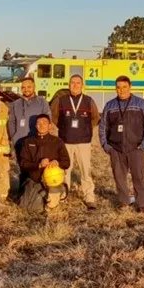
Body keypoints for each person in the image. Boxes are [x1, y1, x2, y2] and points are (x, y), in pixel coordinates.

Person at [99, 75, 144, 212]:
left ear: (130, 87)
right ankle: (124, 201)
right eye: (118, 87)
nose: (121, 90)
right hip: (116, 149)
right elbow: (103, 127)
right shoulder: (110, 106)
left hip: (136, 147)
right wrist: (106, 146)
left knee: (139, 177)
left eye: (124, 87)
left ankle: (142, 204)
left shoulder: (141, 104)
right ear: (115, 89)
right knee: (119, 177)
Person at [51, 74, 100, 209]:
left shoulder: (89, 101)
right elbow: (54, 117)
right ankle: (63, 194)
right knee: (66, 169)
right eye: (72, 83)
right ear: (69, 85)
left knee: (85, 170)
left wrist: (85, 129)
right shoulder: (61, 100)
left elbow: (95, 119)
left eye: (78, 83)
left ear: (82, 85)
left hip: (84, 142)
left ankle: (89, 196)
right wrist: (63, 127)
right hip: (65, 141)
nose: (75, 85)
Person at [7, 77, 50, 197]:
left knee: (37, 167)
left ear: (34, 87)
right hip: (20, 142)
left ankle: (39, 193)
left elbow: (47, 119)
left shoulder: (42, 102)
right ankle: (22, 194)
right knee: (22, 168)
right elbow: (11, 122)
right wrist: (14, 136)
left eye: (29, 87)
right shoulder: (15, 104)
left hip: (36, 141)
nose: (26, 89)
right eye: (23, 87)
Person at [18, 114, 71, 212]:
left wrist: (57, 162)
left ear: (50, 126)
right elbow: (23, 163)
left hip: (52, 181)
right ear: (35, 126)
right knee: (26, 207)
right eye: (39, 123)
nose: (41, 125)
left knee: (50, 206)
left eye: (44, 123)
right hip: (35, 179)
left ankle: (58, 194)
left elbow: (66, 162)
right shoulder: (28, 142)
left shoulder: (57, 141)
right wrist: (38, 165)